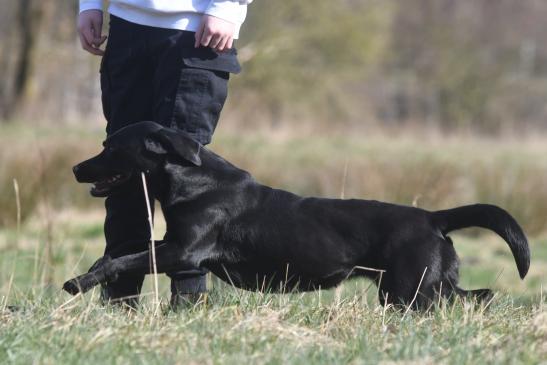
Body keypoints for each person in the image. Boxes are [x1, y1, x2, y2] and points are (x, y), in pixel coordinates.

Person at [77, 0, 252, 308]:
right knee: (121, 169)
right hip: (126, 25)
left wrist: (225, 7)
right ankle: (120, 302)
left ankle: (189, 303)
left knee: (185, 178)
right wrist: (88, 4)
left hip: (196, 30)